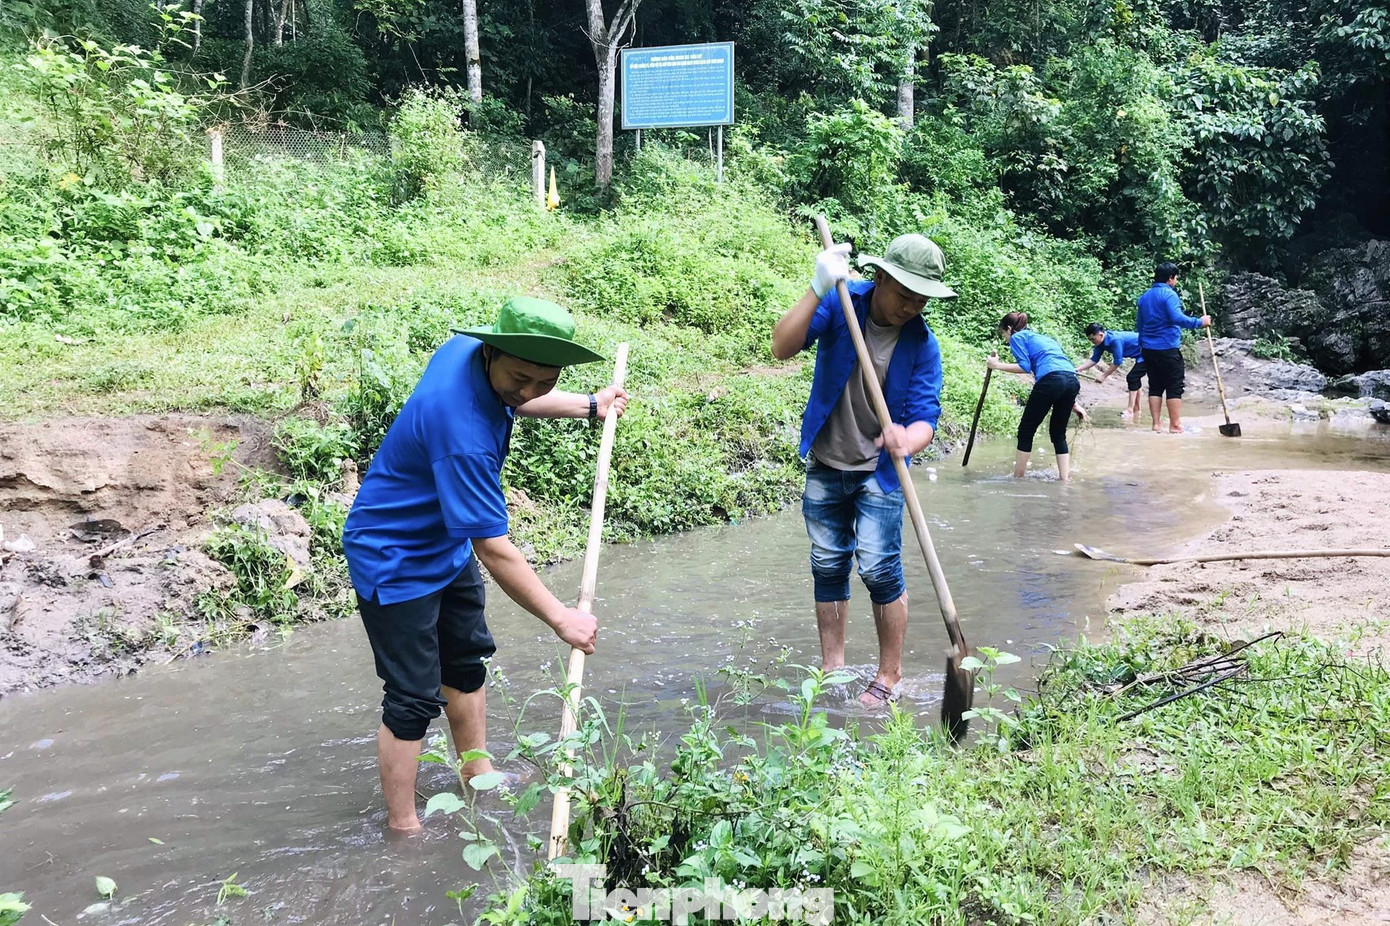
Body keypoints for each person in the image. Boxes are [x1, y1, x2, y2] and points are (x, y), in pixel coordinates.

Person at [342, 296, 629, 834]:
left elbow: (514, 396)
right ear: (493, 353)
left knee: (466, 662)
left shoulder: (467, 350)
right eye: (521, 377)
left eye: (544, 381)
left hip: (445, 541)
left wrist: (589, 404)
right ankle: (403, 829)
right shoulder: (463, 433)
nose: (528, 391)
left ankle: (478, 773)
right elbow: (494, 549)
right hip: (393, 555)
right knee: (412, 698)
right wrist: (562, 619)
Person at [771, 233, 953, 707]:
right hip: (827, 459)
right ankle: (832, 669)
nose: (911, 307)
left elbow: (925, 418)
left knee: (879, 567)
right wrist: (816, 288)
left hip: (881, 471)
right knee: (828, 564)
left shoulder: (923, 344)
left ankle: (888, 676)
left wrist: (907, 438)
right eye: (904, 295)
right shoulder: (841, 303)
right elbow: (781, 347)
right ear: (880, 279)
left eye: (921, 300)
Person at [986, 312, 1082, 482]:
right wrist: (1073, 404)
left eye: (1004, 335)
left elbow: (1025, 367)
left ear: (1009, 329)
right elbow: (1062, 372)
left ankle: (1018, 479)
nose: (1006, 339)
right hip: (1072, 380)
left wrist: (996, 365)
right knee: (1058, 433)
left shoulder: (1017, 337)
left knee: (1026, 430)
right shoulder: (1044, 338)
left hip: (1051, 380)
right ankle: (1064, 479)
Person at [1136, 262, 1211, 433]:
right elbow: (1177, 318)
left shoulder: (1145, 296)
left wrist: (1142, 344)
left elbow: (1140, 325)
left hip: (1148, 349)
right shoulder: (1169, 295)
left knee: (1155, 385)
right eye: (1176, 278)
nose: (1176, 281)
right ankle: (1175, 425)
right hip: (1167, 348)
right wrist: (1199, 322)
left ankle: (1156, 425)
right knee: (1174, 386)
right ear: (1170, 278)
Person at [1077, 322, 1145, 420]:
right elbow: (1094, 359)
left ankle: (1130, 410)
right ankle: (1137, 410)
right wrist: (1079, 369)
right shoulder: (1100, 343)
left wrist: (1104, 376)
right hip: (1140, 354)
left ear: (1101, 335)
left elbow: (1118, 361)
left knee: (1132, 377)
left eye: (1093, 339)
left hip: (1149, 351)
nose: (1092, 342)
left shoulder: (1115, 340)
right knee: (1135, 379)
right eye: (1090, 339)